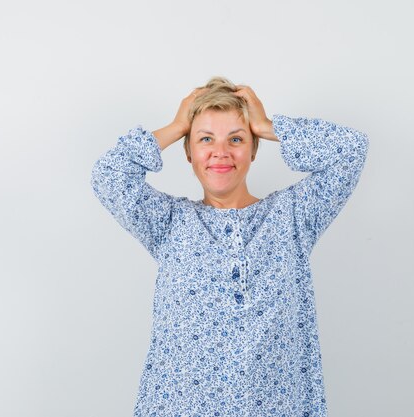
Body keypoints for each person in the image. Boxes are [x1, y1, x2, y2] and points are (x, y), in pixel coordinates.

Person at [90, 76, 369, 417]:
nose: (220, 152)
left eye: (236, 139)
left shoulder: (294, 216)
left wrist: (266, 125)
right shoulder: (168, 222)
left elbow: (351, 149)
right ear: (189, 152)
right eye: (205, 139)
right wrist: (178, 125)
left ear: (253, 149)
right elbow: (108, 174)